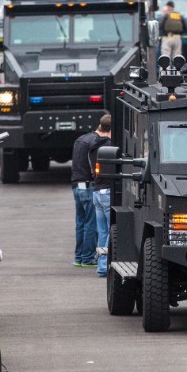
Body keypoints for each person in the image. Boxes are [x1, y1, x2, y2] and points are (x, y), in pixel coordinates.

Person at [70, 115, 111, 268]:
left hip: (76, 185)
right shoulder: (96, 143)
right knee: (91, 223)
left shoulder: (81, 139)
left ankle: (79, 257)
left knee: (80, 222)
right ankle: (88, 258)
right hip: (89, 185)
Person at [88, 115, 114, 278]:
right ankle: (104, 266)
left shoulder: (92, 145)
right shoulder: (109, 147)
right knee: (112, 230)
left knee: (102, 231)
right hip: (106, 191)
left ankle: (101, 266)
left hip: (96, 191)